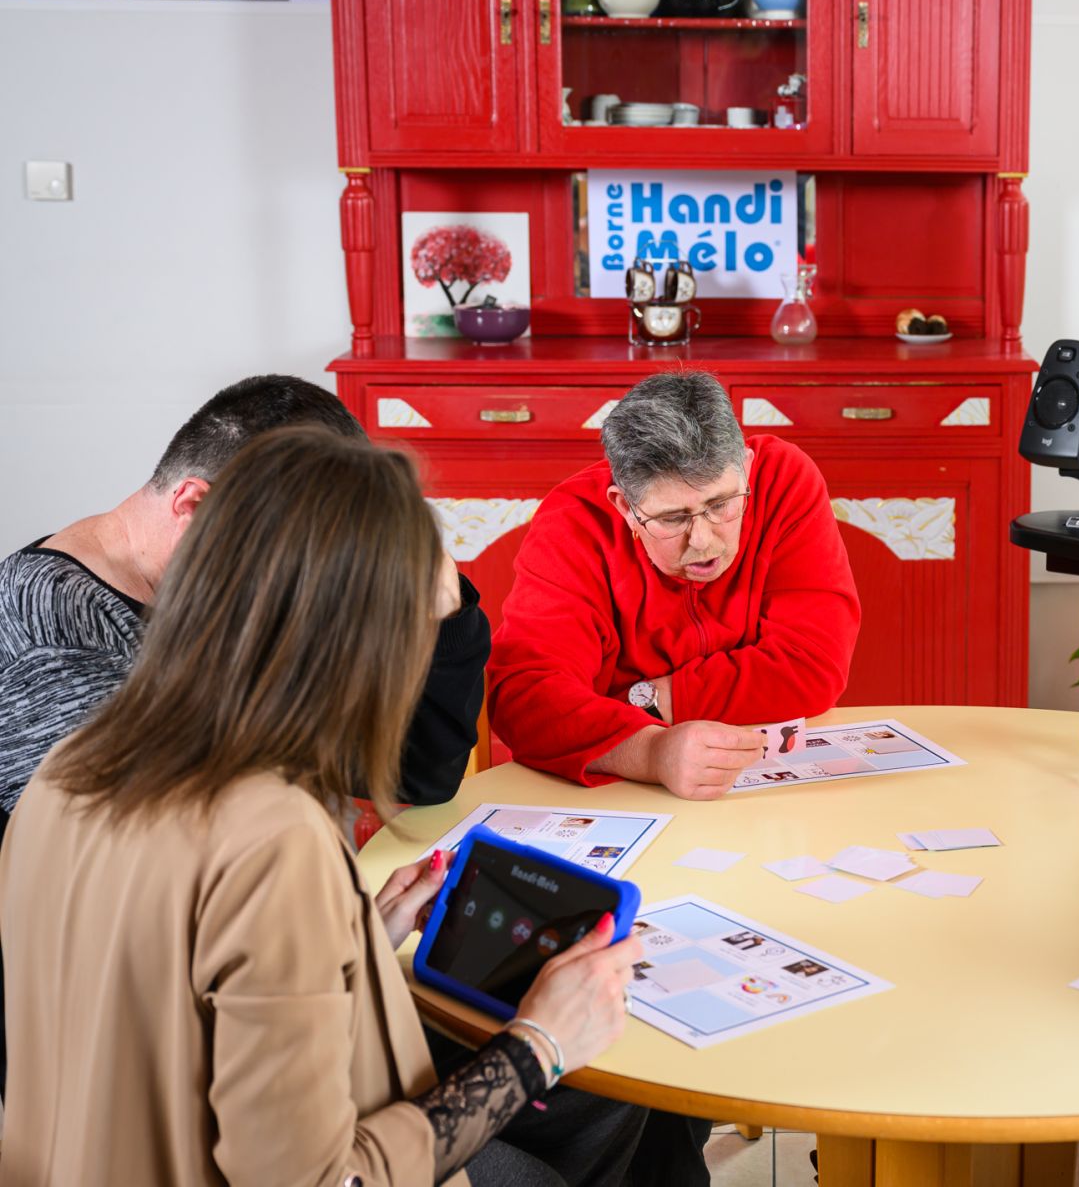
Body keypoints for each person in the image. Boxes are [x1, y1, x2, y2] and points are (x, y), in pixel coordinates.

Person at [0, 428, 648, 1186]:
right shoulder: (270, 836)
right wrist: (540, 1044)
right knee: (575, 1120)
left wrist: (351, 940)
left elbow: (169, 985)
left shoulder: (72, 764)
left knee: (600, 1104)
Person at [0, 374, 487, 821]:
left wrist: (437, 608)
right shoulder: (57, 641)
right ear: (195, 505)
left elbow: (416, 772)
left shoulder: (236, 590)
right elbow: (123, 863)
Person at [489, 370, 861, 798]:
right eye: (671, 518)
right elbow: (526, 698)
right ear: (625, 507)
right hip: (619, 787)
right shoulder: (572, 522)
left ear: (746, 469)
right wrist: (651, 752)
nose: (701, 541)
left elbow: (813, 665)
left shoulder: (783, 477)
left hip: (766, 782)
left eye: (721, 504)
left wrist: (647, 701)